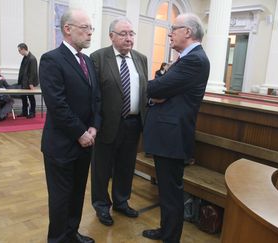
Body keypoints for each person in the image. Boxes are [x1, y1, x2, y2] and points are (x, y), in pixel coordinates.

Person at [142, 13, 210, 243]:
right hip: (168, 135)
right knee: (167, 190)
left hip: (172, 137)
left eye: (174, 28)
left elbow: (156, 88)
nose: (170, 33)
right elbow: (161, 87)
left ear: (188, 32)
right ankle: (166, 230)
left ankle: (171, 237)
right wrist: (159, 91)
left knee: (171, 192)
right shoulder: (185, 58)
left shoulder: (195, 60)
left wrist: (158, 91)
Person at [39, 9, 100, 243]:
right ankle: (57, 239)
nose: (90, 33)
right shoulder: (52, 59)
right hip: (62, 145)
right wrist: (80, 132)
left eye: (91, 28)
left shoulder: (87, 60)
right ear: (67, 29)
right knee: (60, 199)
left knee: (76, 195)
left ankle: (71, 235)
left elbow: (96, 98)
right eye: (85, 28)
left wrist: (94, 126)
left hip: (86, 142)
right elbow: (57, 104)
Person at [89, 17, 148, 226]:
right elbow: (94, 95)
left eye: (131, 34)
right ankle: (101, 205)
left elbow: (144, 91)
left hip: (133, 124)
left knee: (126, 166)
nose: (128, 38)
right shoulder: (98, 57)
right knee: (101, 169)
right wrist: (94, 124)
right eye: (123, 34)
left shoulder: (141, 59)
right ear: (111, 36)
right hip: (106, 124)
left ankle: (122, 202)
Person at [17, 43, 39, 119]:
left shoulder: (32, 58)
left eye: (19, 50)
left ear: (23, 49)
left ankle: (32, 112)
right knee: (23, 97)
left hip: (29, 83)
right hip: (24, 82)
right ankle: (25, 112)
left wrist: (31, 83)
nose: (19, 52)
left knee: (31, 97)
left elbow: (33, 72)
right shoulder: (25, 57)